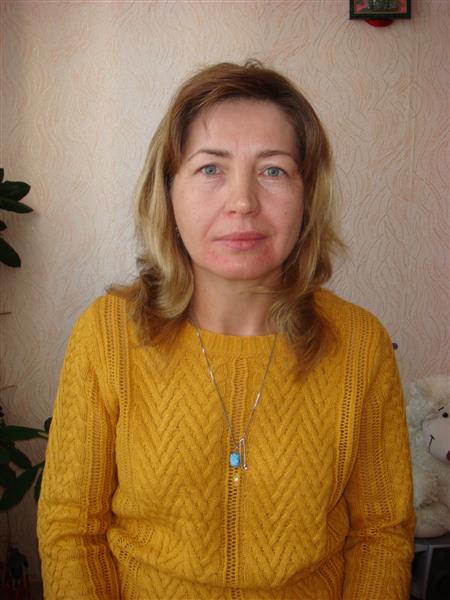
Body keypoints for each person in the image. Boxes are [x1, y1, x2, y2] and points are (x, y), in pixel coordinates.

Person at [37, 61, 415, 600]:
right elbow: (72, 531)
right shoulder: (108, 335)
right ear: (168, 190)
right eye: (211, 168)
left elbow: (380, 535)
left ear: (308, 195)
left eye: (273, 171)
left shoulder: (360, 343)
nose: (243, 202)